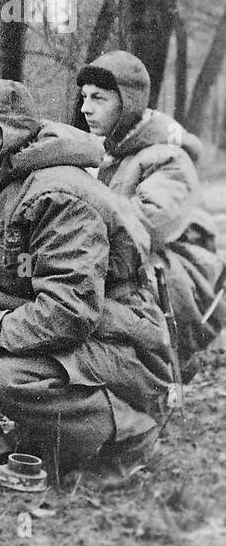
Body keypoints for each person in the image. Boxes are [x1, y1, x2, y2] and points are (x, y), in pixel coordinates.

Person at [0, 78, 174, 488]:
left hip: (125, 344)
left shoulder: (57, 195)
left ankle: (130, 434)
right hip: (87, 321)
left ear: (4, 134)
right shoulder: (10, 180)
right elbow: (23, 285)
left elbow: (69, 312)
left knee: (3, 379)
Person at [77, 50, 225, 379]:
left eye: (98, 98)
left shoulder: (168, 159)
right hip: (136, 268)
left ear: (128, 102)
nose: (86, 107)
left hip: (175, 283)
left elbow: (141, 227)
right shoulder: (114, 155)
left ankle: (156, 368)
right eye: (84, 97)